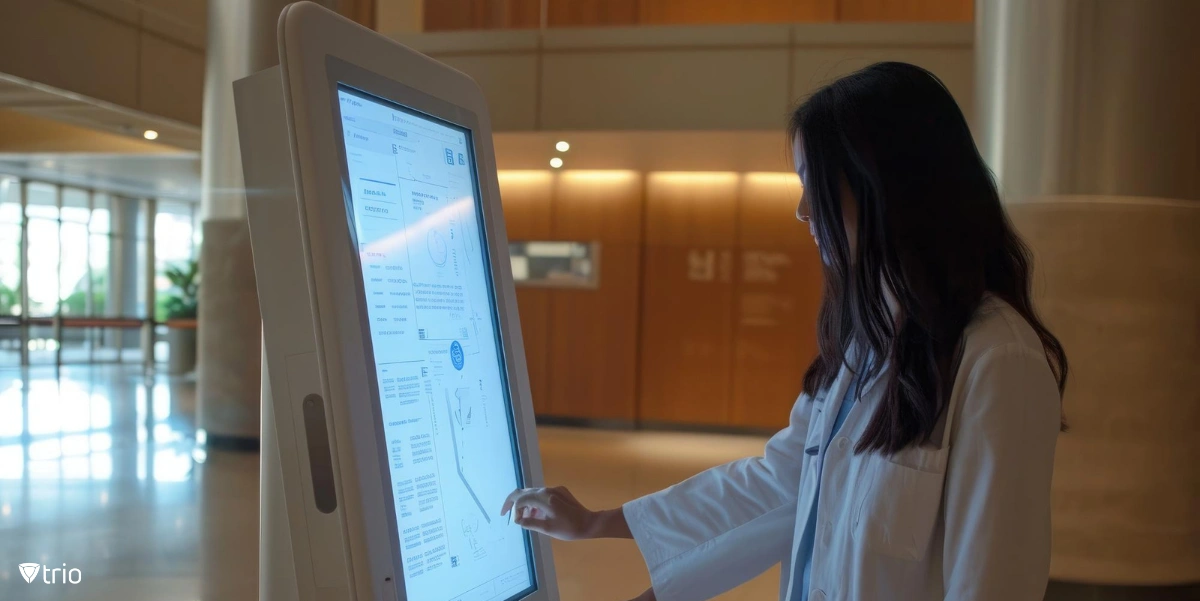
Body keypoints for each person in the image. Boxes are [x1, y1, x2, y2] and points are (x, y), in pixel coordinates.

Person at [501, 62, 1068, 601]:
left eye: (813, 185)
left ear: (883, 187)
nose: (803, 210)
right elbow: (782, 486)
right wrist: (599, 523)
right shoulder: (867, 346)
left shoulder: (998, 362)